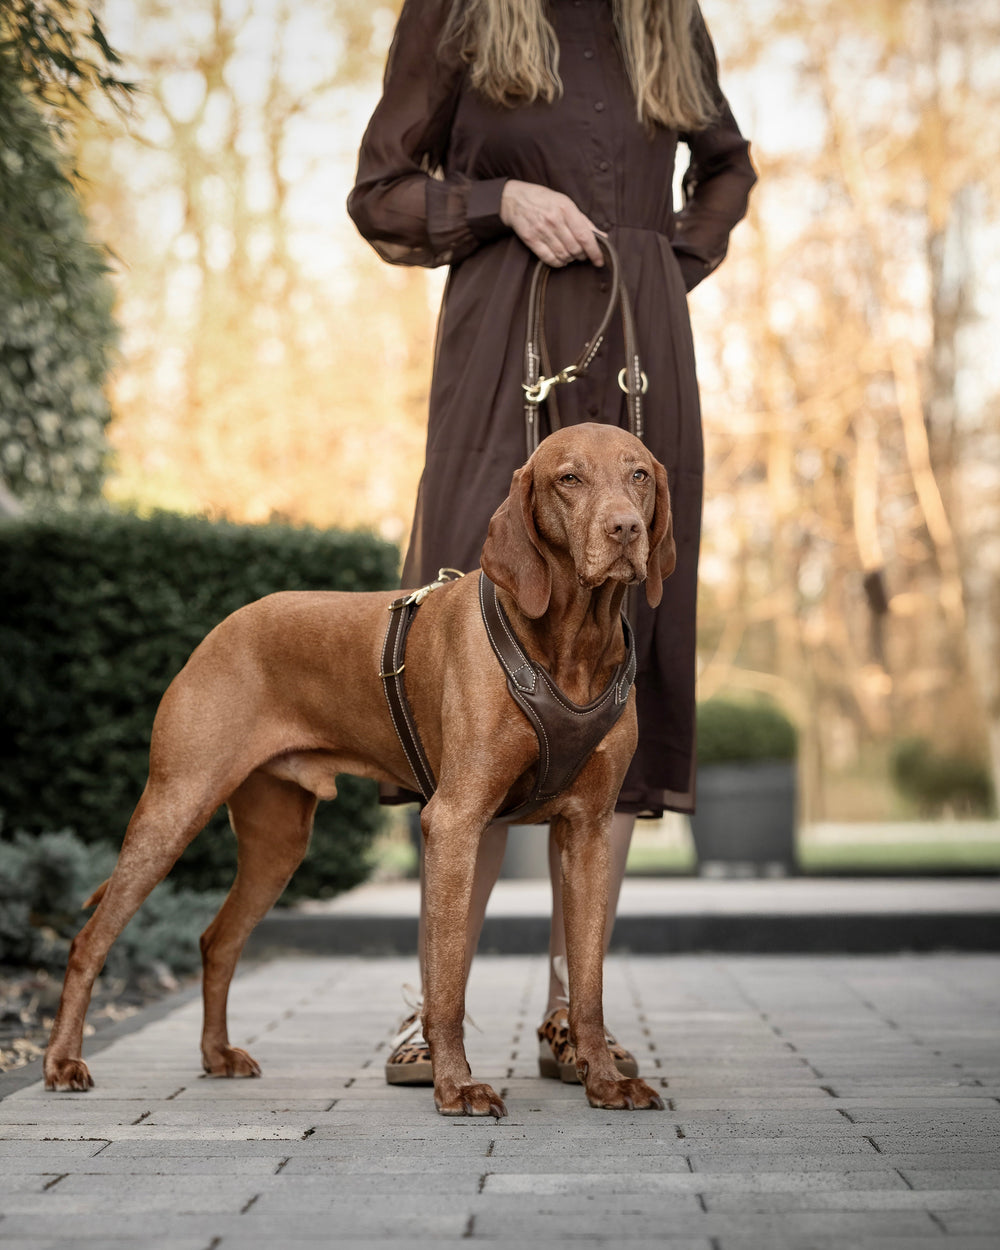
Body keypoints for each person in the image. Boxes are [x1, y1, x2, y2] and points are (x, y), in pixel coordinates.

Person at [348, 0, 755, 1084]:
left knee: (621, 663)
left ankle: (580, 1017)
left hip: (638, 343)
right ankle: (433, 1014)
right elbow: (379, 196)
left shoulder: (667, 16)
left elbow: (725, 165)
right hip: (499, 351)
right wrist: (499, 200)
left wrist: (672, 257)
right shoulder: (456, 10)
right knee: (475, 657)